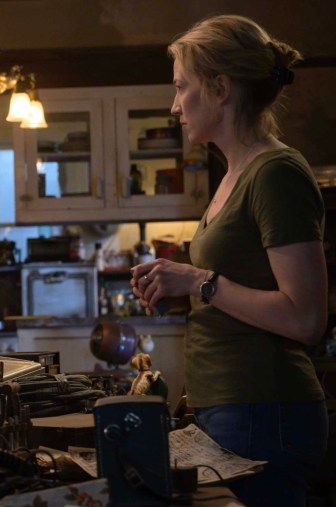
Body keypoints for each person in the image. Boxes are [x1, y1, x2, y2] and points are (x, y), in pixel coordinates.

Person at [131, 14, 327, 506]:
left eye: (182, 86)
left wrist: (199, 281)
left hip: (265, 411)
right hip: (234, 408)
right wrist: (180, 285)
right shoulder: (235, 172)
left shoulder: (276, 173)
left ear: (220, 89)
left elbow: (306, 318)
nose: (175, 105)